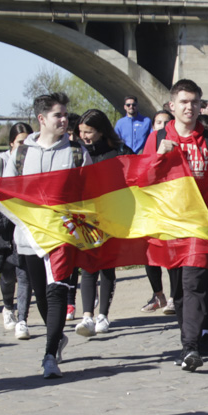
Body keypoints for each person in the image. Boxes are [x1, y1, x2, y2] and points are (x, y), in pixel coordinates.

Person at [0, 92, 93, 379]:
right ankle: (57, 337)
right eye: (57, 115)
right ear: (42, 119)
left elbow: (88, 192)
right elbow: (6, 188)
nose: (64, 119)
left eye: (65, 114)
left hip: (62, 237)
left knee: (57, 294)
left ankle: (49, 355)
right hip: (29, 239)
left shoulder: (77, 153)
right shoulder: (22, 152)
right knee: (42, 297)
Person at [144, 80, 208, 371]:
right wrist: (159, 156)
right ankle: (189, 341)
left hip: (200, 224)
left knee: (194, 284)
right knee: (179, 291)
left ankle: (190, 347)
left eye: (195, 101)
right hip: (169, 225)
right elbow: (141, 180)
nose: (190, 107)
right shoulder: (157, 137)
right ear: (172, 106)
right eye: (184, 101)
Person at [73, 110, 133, 338]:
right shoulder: (78, 152)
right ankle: (87, 315)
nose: (84, 136)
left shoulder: (118, 153)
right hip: (85, 217)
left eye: (89, 132)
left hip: (111, 216)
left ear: (101, 131)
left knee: (107, 266)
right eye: (81, 132)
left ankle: (103, 315)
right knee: (88, 266)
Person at [0, 123, 35, 340]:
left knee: (24, 274)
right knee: (8, 275)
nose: (24, 146)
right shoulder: (0, 163)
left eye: (28, 141)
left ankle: (23, 318)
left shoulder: (34, 159)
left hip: (24, 225)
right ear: (11, 144)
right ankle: (8, 307)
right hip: (4, 226)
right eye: (20, 142)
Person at [141, 110, 175, 314]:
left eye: (166, 122)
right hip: (153, 203)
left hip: (171, 203)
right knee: (150, 253)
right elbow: (145, 169)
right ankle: (158, 294)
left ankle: (173, 297)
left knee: (171, 253)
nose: (162, 126)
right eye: (158, 122)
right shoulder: (153, 139)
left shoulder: (176, 140)